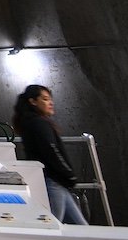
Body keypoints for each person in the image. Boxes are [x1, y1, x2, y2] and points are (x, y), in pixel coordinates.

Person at [12, 84, 87, 225]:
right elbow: (52, 150)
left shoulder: (30, 123)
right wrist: (68, 173)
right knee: (52, 227)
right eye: (45, 99)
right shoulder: (39, 123)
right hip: (53, 181)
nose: (50, 103)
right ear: (33, 101)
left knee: (80, 226)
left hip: (55, 181)